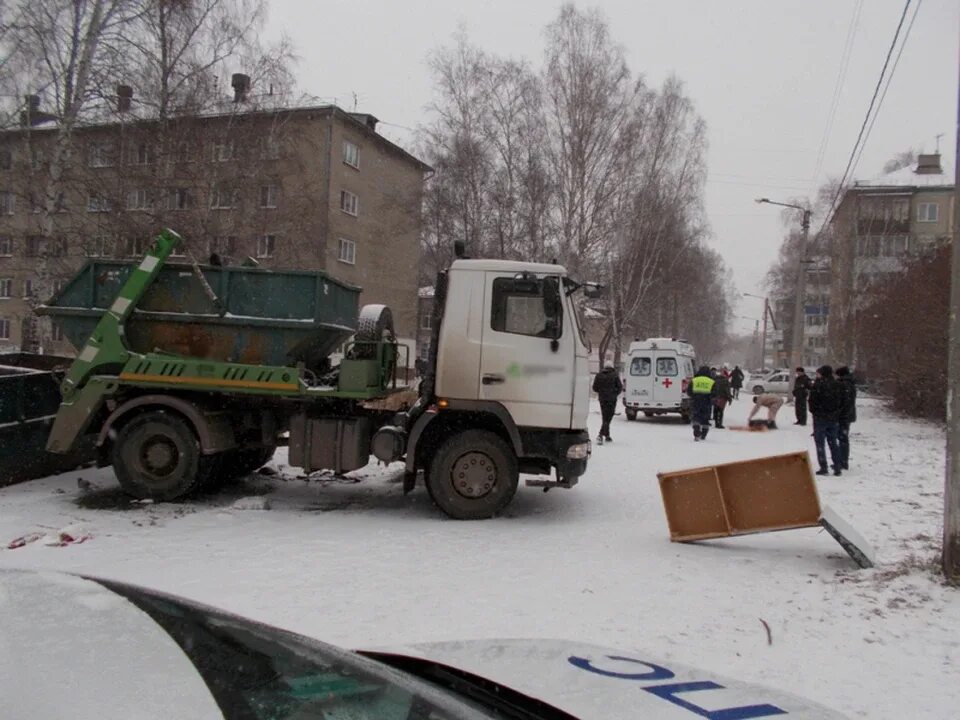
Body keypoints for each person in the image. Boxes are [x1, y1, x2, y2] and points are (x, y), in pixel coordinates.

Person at [808, 365, 844, 476]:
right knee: (833, 443)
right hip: (833, 418)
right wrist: (836, 412)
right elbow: (843, 401)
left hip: (820, 418)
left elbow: (812, 401)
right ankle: (837, 466)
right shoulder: (838, 385)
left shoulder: (818, 385)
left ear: (822, 373)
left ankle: (823, 467)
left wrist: (815, 412)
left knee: (820, 443)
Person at [592, 364, 622, 445]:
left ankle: (607, 435)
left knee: (605, 416)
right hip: (611, 400)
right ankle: (600, 434)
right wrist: (614, 393)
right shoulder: (615, 375)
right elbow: (620, 387)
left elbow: (594, 388)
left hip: (602, 399)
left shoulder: (599, 375)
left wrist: (602, 392)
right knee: (608, 417)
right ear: (612, 367)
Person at [836, 366, 857, 470]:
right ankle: (842, 460)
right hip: (847, 415)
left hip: (844, 416)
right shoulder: (850, 383)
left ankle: (843, 461)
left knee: (842, 438)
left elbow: (844, 402)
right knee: (843, 437)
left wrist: (839, 413)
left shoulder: (845, 384)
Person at [687, 365, 715, 441]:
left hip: (696, 402)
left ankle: (696, 433)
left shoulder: (694, 380)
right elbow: (715, 393)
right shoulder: (711, 381)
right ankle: (704, 435)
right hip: (707, 402)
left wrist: (694, 396)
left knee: (696, 417)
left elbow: (689, 391)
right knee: (705, 419)